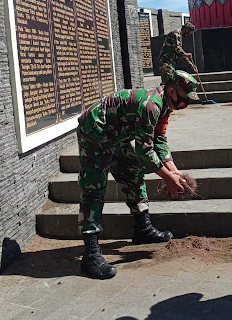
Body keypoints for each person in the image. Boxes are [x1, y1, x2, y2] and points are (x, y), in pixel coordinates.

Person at [78, 70, 200, 279]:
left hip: (118, 135)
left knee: (132, 173)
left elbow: (159, 139)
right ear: (172, 90)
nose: (185, 103)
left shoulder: (165, 106)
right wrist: (166, 178)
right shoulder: (151, 105)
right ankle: (90, 254)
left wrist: (173, 170)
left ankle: (142, 229)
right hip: (96, 131)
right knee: (94, 187)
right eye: (184, 97)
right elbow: (145, 151)